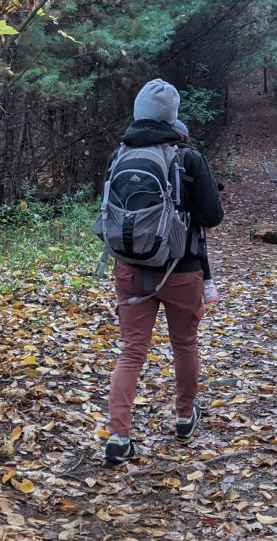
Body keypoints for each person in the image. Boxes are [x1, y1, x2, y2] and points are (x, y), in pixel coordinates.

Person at [104, 79, 224, 466]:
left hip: (131, 269)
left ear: (139, 112)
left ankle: (119, 436)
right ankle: (184, 417)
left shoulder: (118, 156)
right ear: (172, 117)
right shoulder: (188, 158)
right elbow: (212, 217)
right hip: (182, 269)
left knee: (132, 351)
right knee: (184, 345)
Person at [172, 120, 220, 305]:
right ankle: (208, 283)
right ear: (182, 135)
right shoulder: (190, 158)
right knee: (184, 334)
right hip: (183, 261)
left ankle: (208, 282)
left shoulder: (122, 154)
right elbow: (211, 216)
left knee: (133, 335)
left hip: (130, 263)